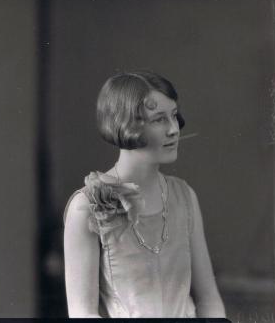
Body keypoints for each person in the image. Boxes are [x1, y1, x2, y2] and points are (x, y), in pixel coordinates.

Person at [63, 72, 225, 318]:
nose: (174, 129)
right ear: (126, 125)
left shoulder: (184, 196)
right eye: (159, 119)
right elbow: (82, 313)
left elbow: (209, 301)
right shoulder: (86, 206)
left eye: (173, 115)